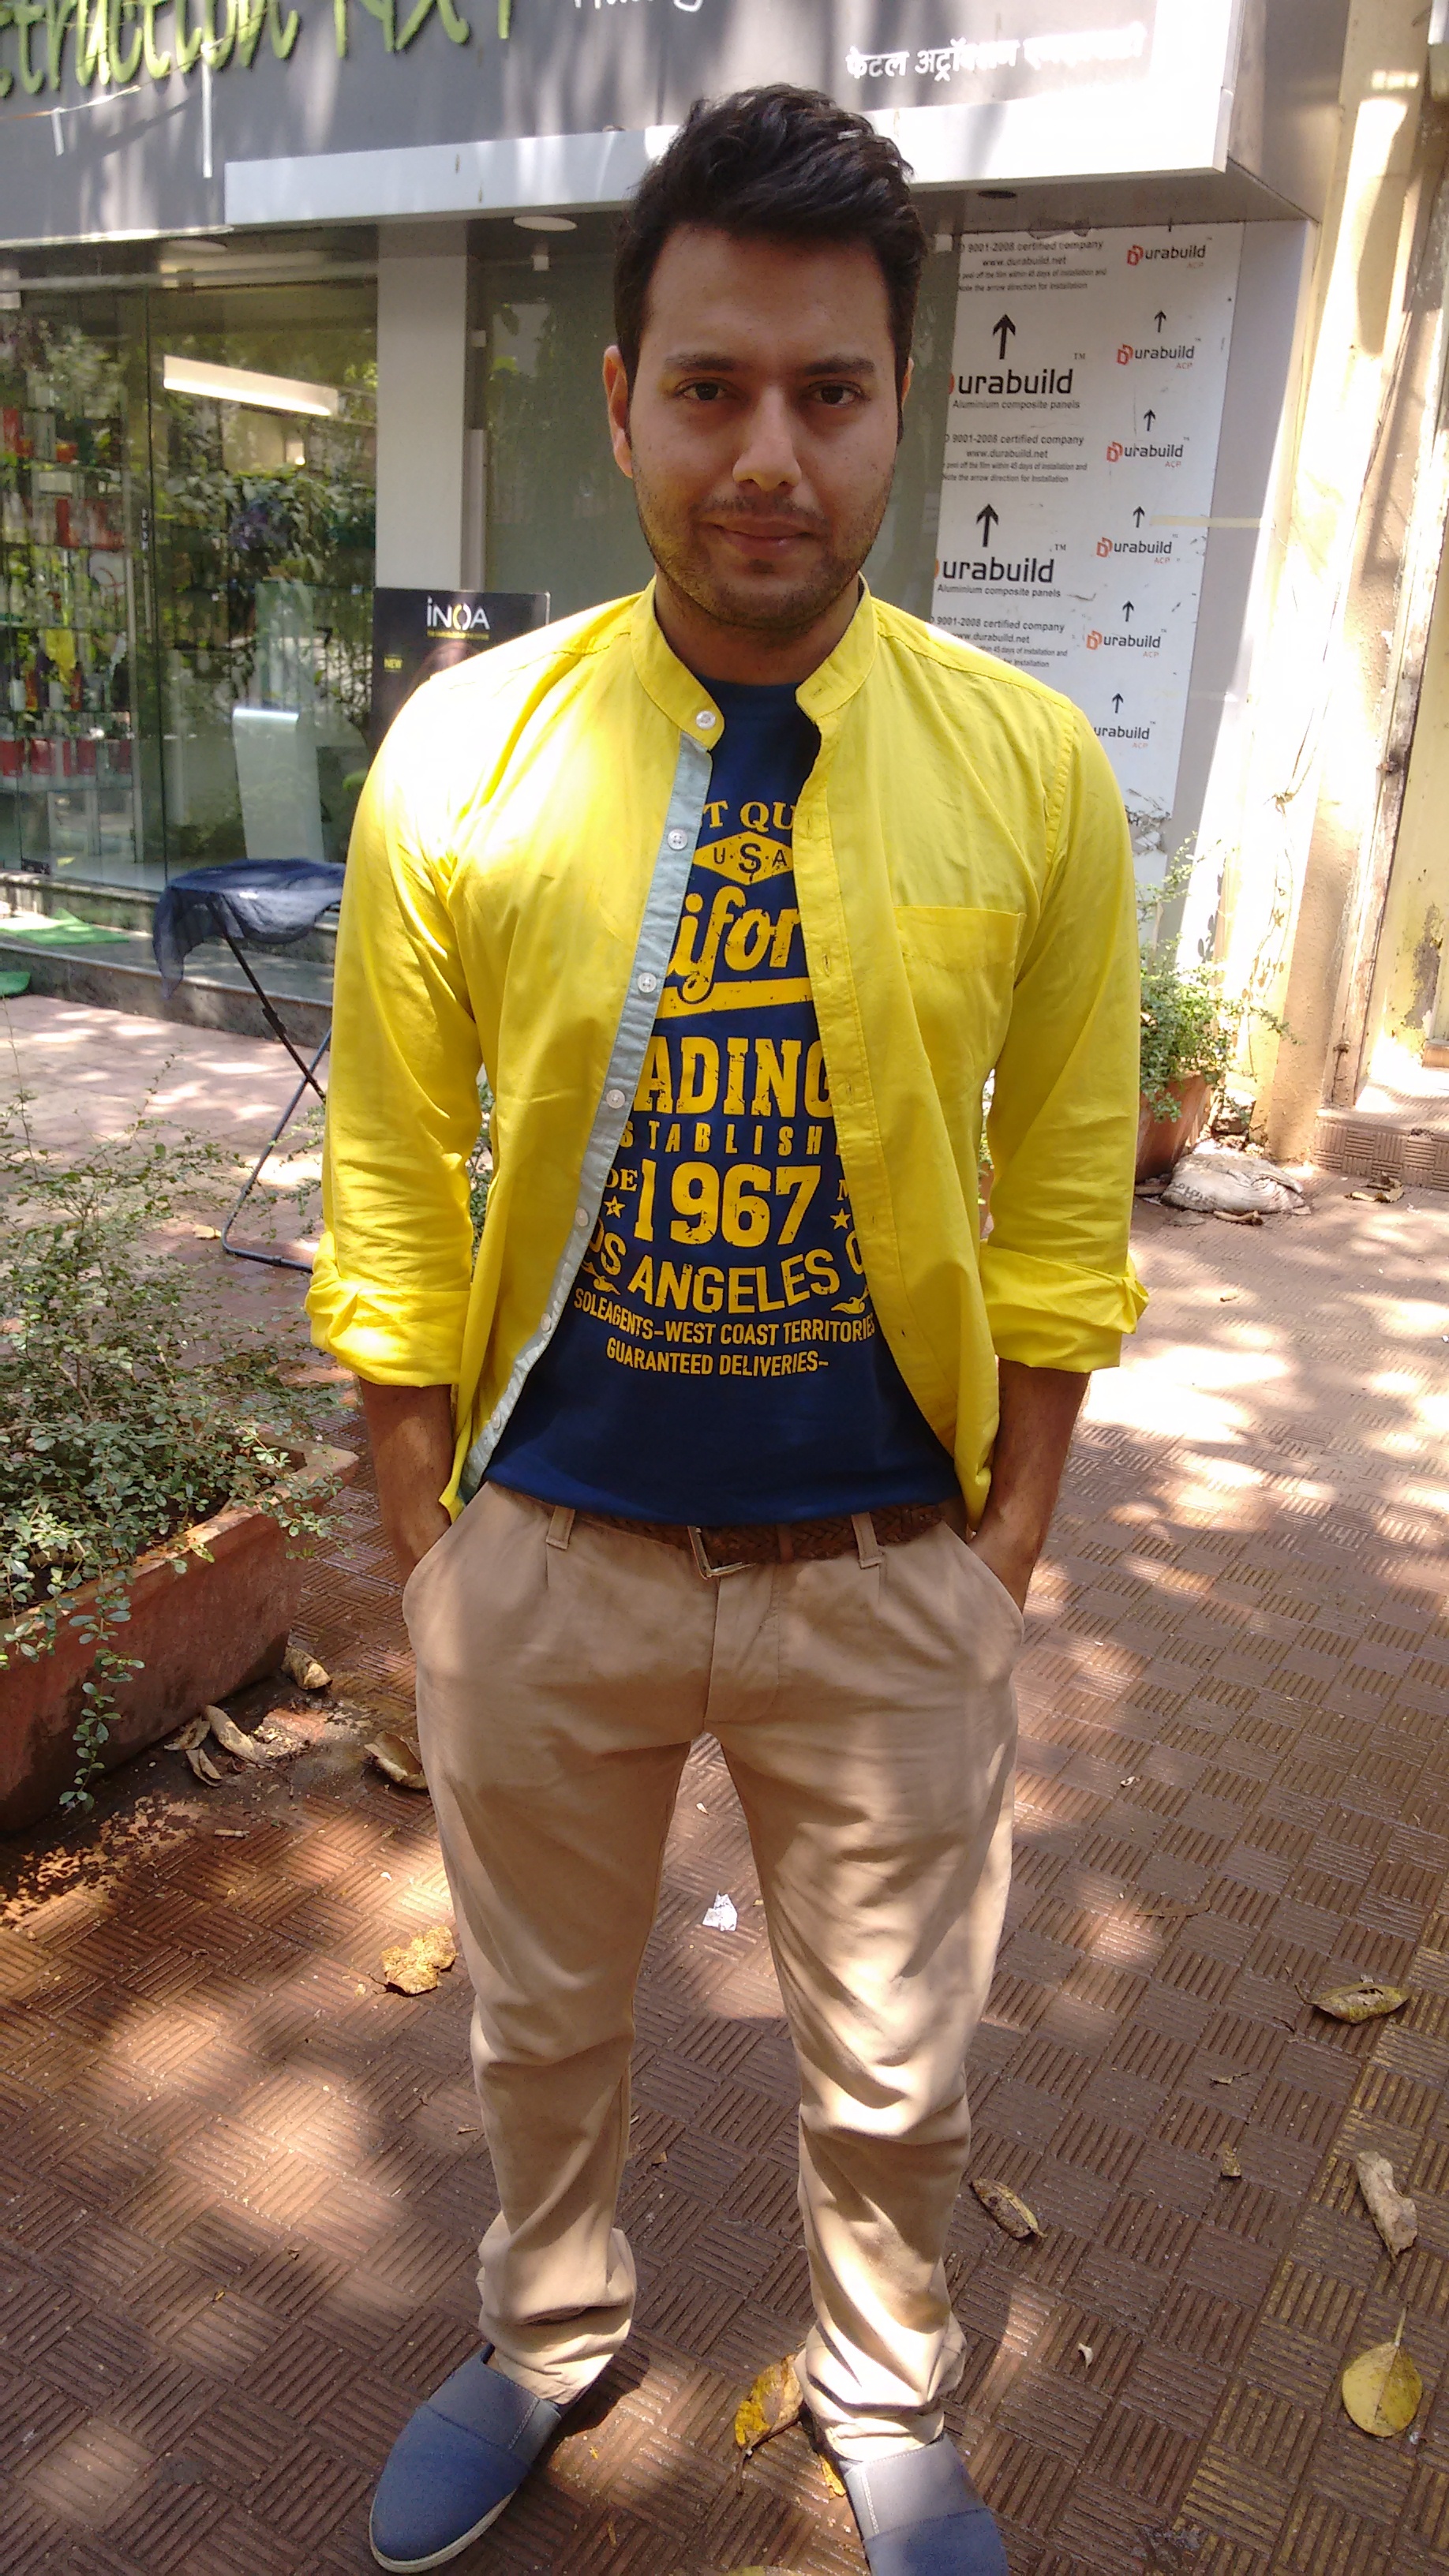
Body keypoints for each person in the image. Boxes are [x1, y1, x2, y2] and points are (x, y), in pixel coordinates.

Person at [309, 83, 1144, 2576]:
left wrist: (1002, 1554)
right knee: (538, 2028)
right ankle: (546, 2335)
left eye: (824, 391)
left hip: (882, 1566)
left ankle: (884, 2396)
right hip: (546, 1550)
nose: (765, 453)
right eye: (709, 388)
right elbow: (387, 1183)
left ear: (896, 407)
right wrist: (429, 1552)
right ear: (619, 405)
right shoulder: (465, 753)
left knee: (893, 2071)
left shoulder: (1031, 773)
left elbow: (1062, 1201)